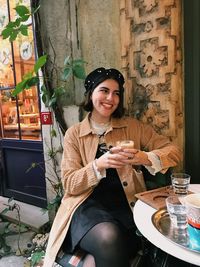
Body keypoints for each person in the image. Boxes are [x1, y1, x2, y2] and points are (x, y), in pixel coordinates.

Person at [43, 67, 181, 267]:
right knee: (108, 237)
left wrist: (145, 157)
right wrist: (98, 165)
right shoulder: (74, 134)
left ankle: (87, 262)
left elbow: (173, 150)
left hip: (126, 203)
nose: (110, 98)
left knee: (119, 246)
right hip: (86, 205)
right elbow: (70, 183)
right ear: (91, 94)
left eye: (116, 93)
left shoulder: (132, 127)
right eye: (104, 90)